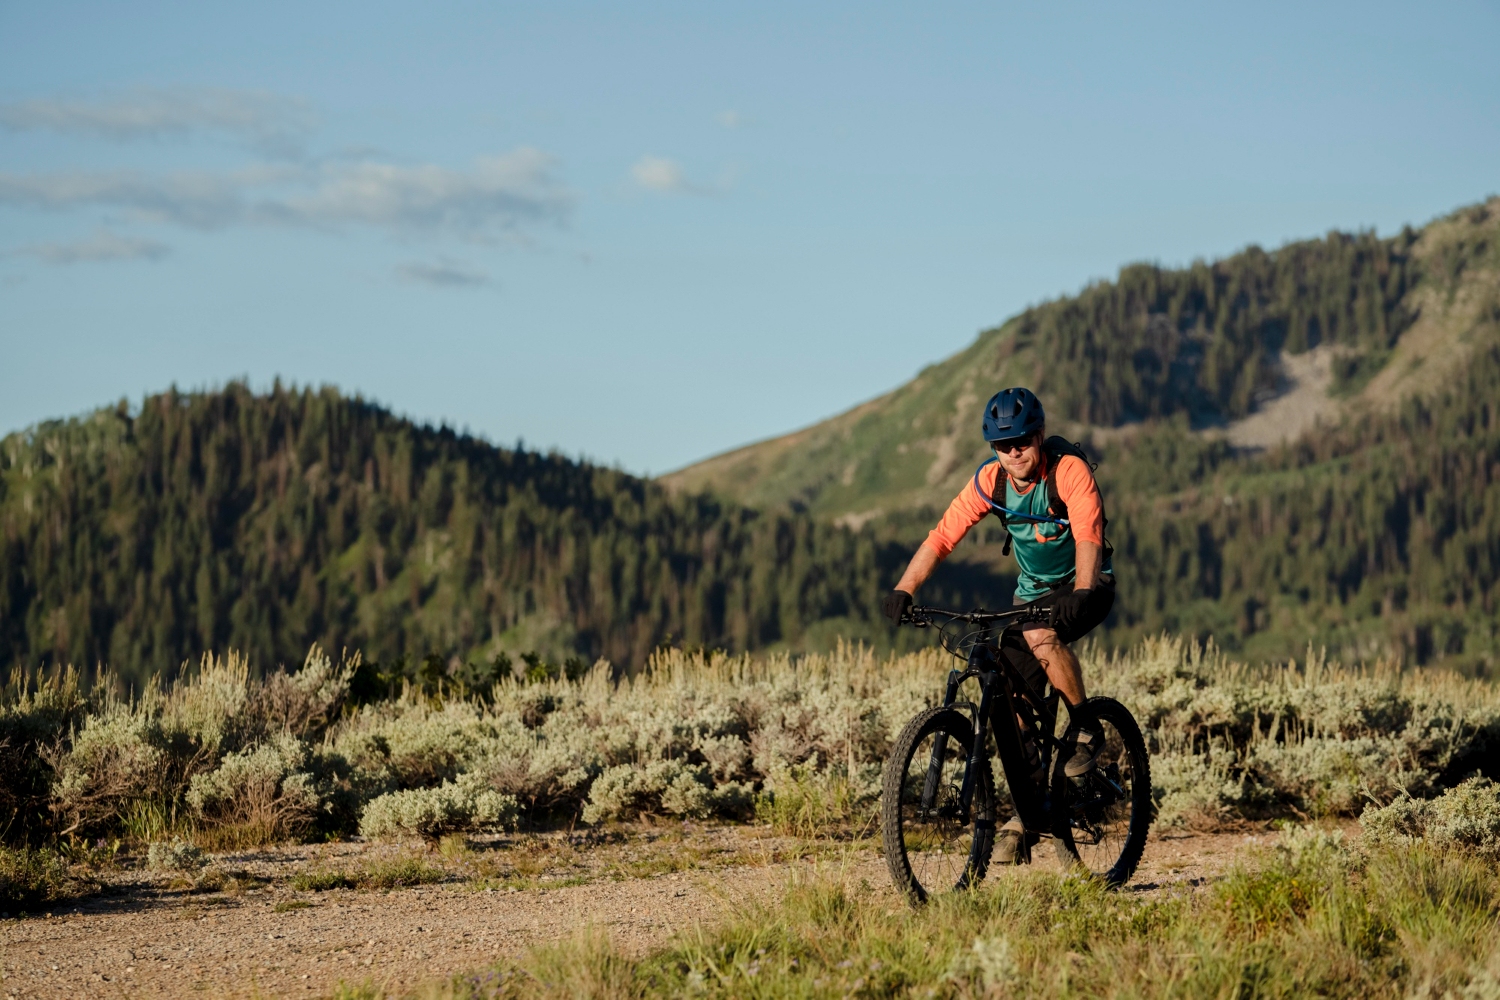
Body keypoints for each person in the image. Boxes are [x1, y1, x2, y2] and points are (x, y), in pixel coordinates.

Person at [880, 386, 1115, 862]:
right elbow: (944, 535)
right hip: (1031, 595)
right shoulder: (992, 481)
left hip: (1087, 584)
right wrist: (905, 589)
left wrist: (1084, 591)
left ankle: (1087, 727)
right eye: (1002, 446)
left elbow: (1089, 532)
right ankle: (1031, 811)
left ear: (1039, 436)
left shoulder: (1068, 471)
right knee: (1006, 685)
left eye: (1021, 443)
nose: (1013, 453)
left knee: (1040, 635)